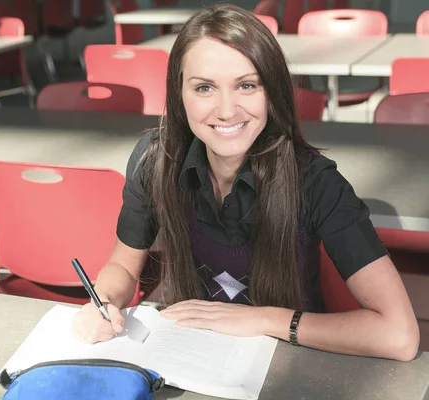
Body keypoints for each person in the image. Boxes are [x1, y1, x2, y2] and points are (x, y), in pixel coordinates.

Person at [72, 3, 419, 361]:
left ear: (272, 91)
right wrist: (105, 302)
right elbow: (123, 266)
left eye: (247, 85)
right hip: (191, 356)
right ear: (179, 94)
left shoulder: (317, 182)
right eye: (204, 87)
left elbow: (399, 334)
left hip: (289, 366)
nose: (226, 110)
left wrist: (263, 319)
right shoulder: (154, 160)